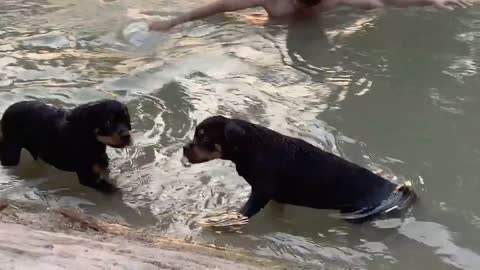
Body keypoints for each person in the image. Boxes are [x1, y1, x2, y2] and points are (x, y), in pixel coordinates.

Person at [149, 0, 472, 31]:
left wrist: (432, 2)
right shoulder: (271, 0)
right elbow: (218, 7)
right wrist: (172, 22)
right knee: (235, 19)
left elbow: (383, 3)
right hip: (266, 27)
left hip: (309, 32)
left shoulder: (334, 2)